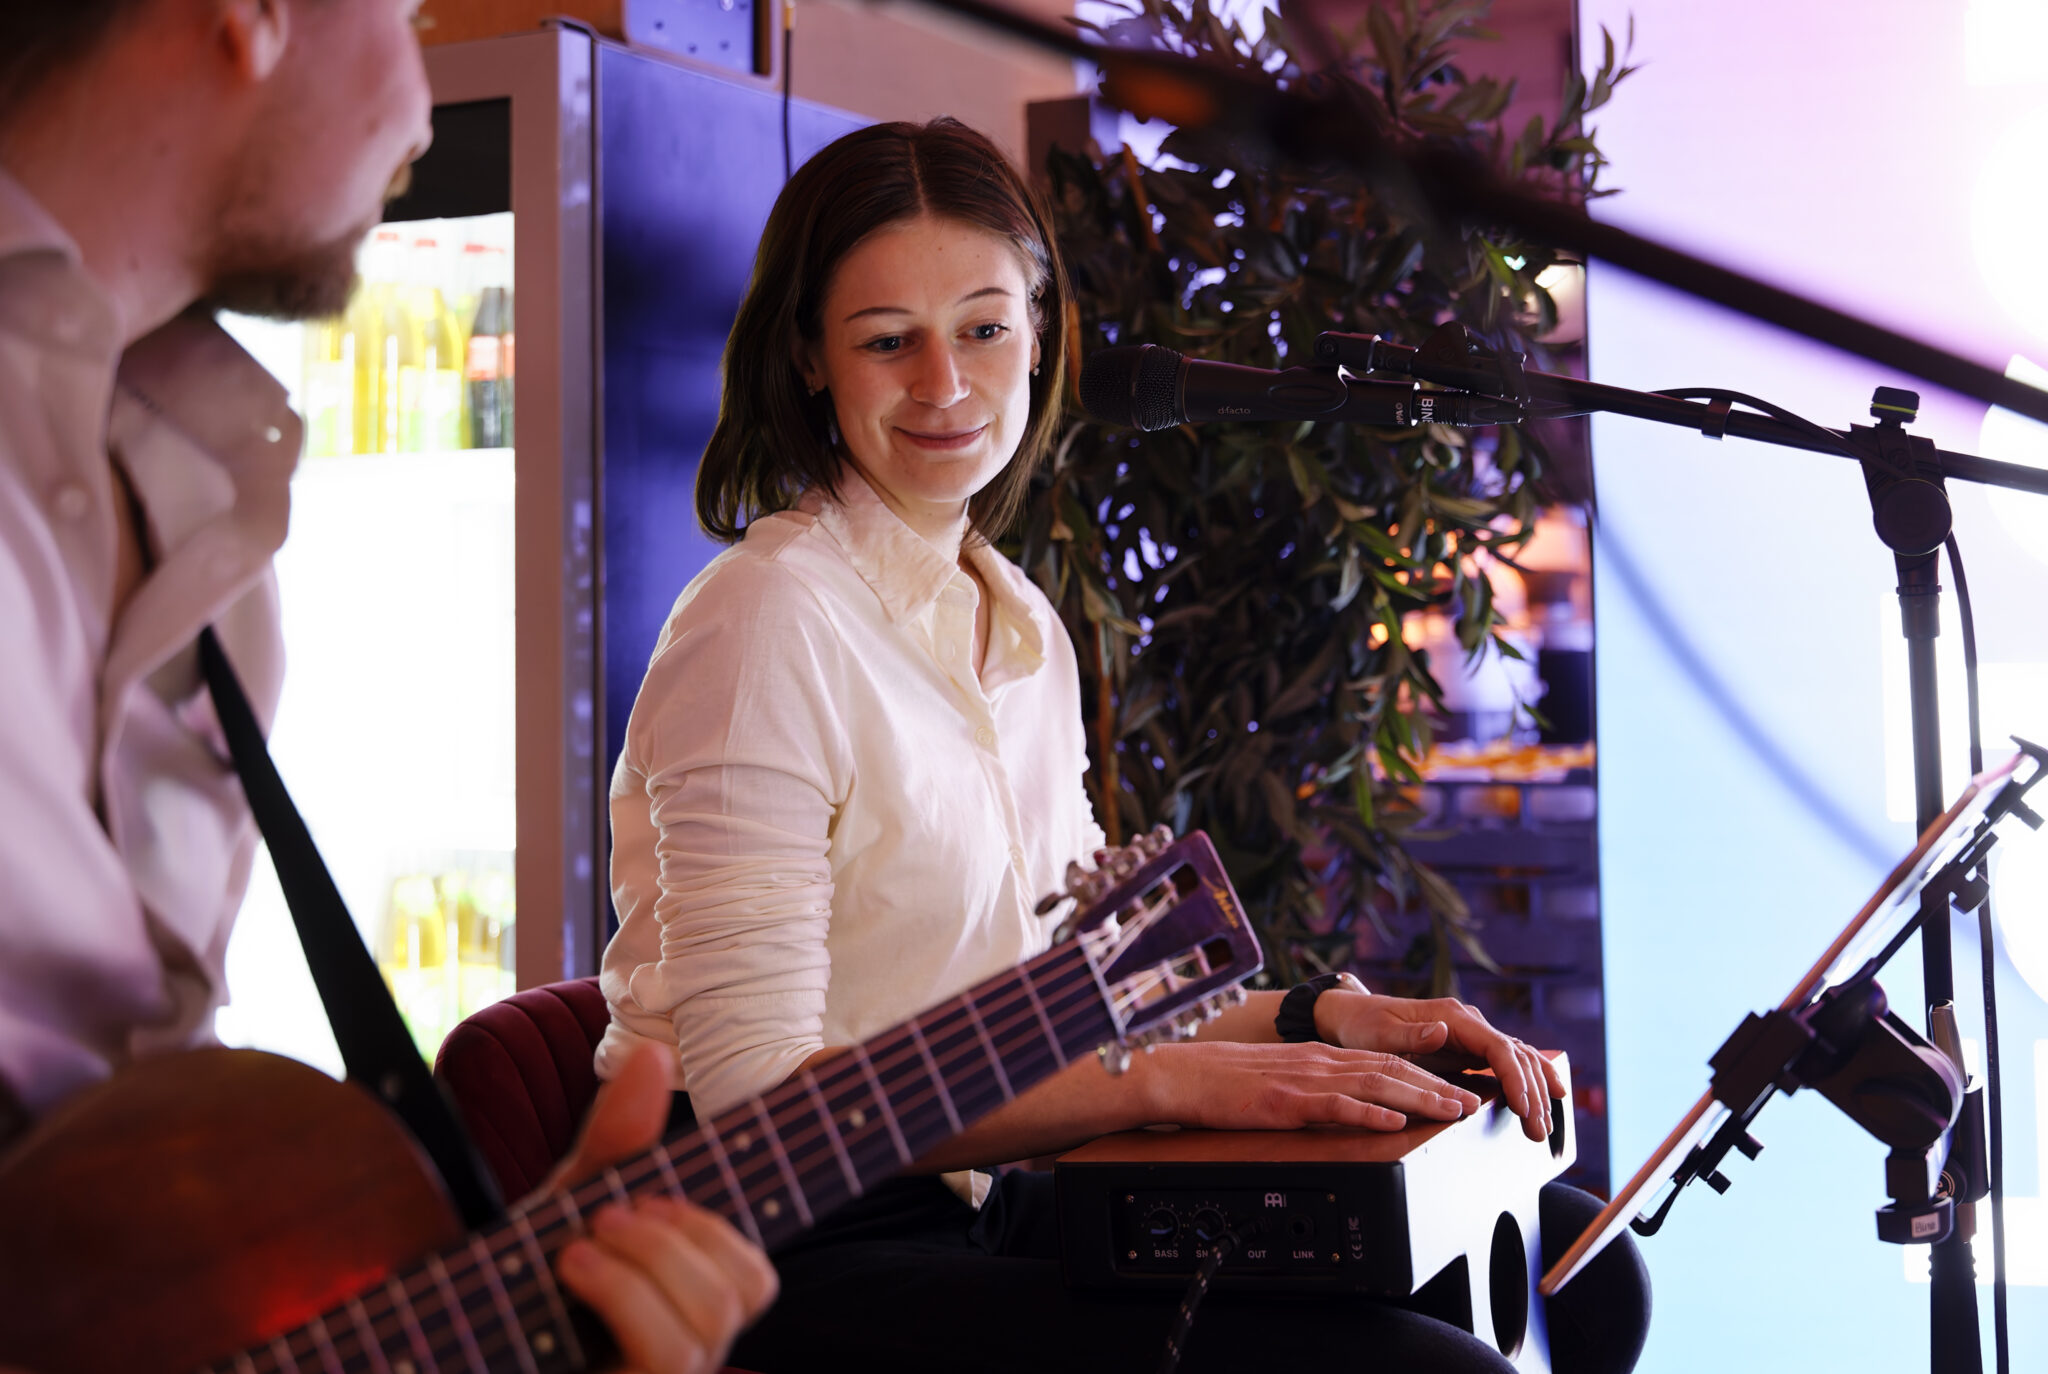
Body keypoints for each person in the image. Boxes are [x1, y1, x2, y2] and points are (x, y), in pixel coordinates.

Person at [600, 116, 1650, 1373]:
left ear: (1039, 335)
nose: (944, 383)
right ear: (808, 359)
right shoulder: (764, 619)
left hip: (980, 1195)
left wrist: (1324, 1020)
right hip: (781, 1247)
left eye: (983, 329)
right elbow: (762, 1100)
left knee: (1580, 1264)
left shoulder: (1019, 625)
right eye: (887, 341)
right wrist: (1167, 1084)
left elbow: (1079, 991)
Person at [0, 4, 774, 1370]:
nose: (420, 114)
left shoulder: (203, 502)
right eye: (411, 11)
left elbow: (97, 1251)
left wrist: (467, 1314)